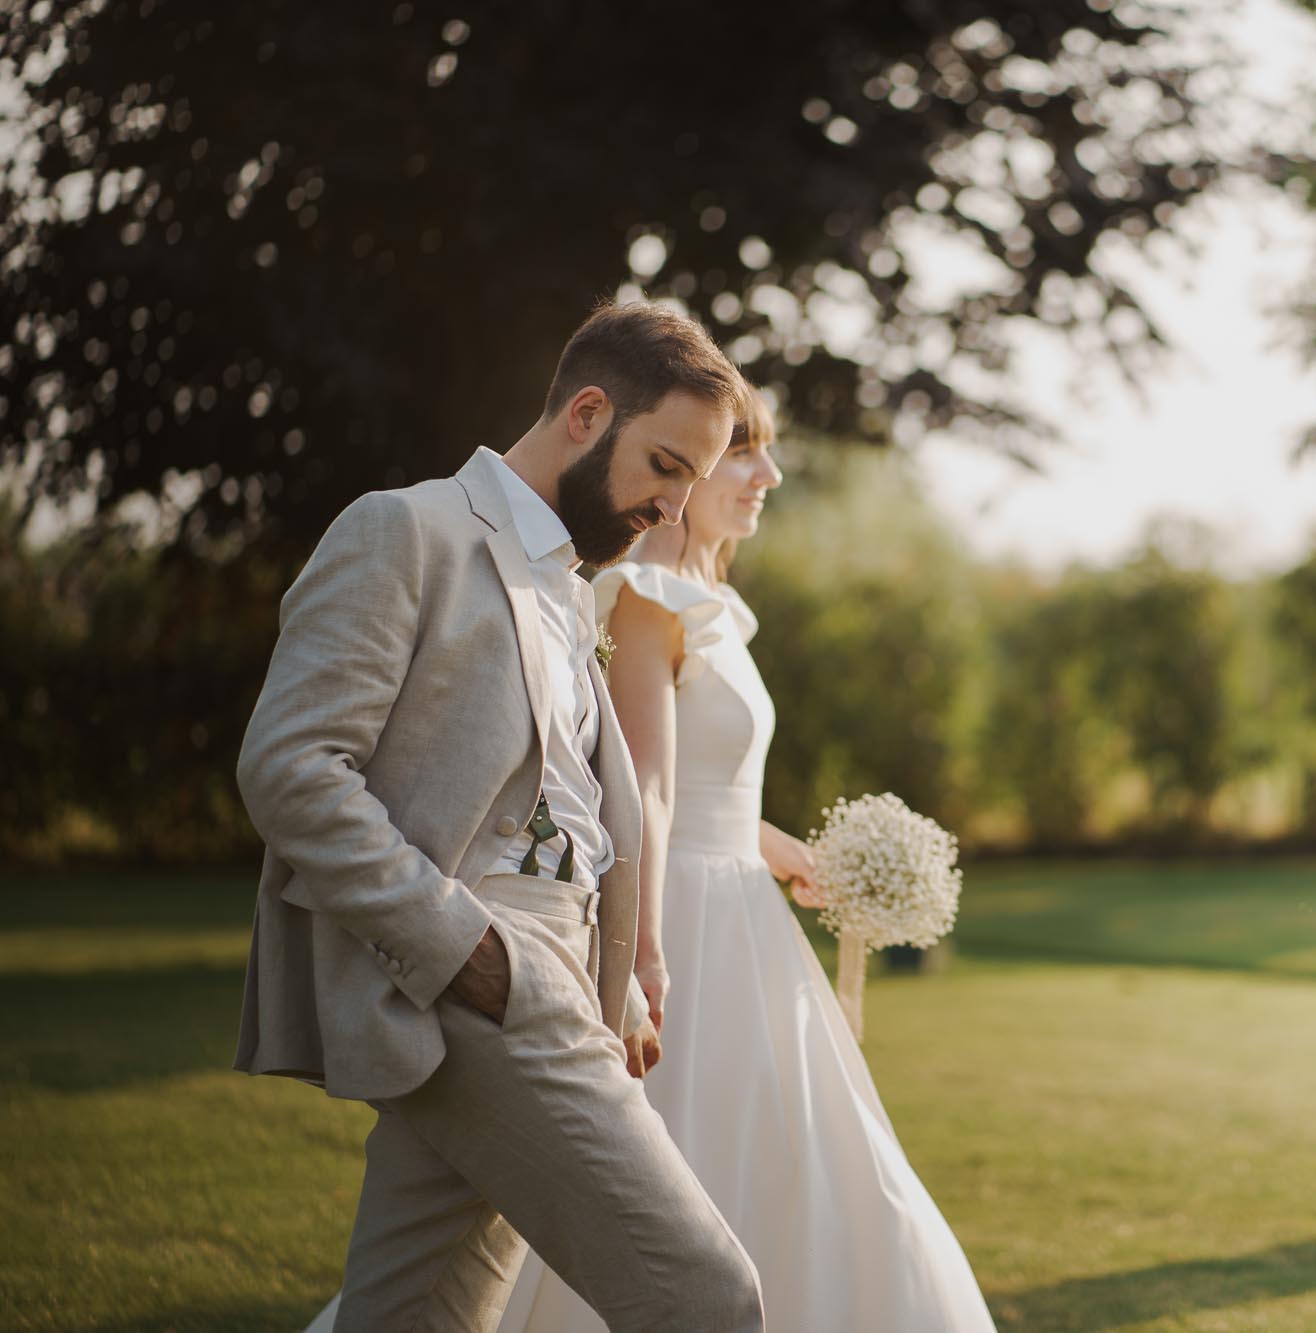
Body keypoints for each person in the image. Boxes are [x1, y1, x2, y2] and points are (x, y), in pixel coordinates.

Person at [242, 301, 766, 1332]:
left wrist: (612, 973)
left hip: (553, 978)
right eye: (665, 466)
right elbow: (291, 768)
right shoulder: (407, 530)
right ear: (586, 413)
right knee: (707, 1297)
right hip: (483, 974)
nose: (674, 508)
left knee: (415, 1318)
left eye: (690, 481)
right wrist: (463, 949)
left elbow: (568, 806)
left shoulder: (570, 587)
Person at [493, 392, 997, 1332]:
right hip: (683, 921)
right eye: (743, 455)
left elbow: (711, 791)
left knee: (811, 1158)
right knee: (683, 1148)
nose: (768, 475)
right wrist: (643, 953)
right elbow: (644, 790)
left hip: (748, 917)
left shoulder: (716, 604)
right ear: (687, 470)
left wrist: (786, 851)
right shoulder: (647, 598)